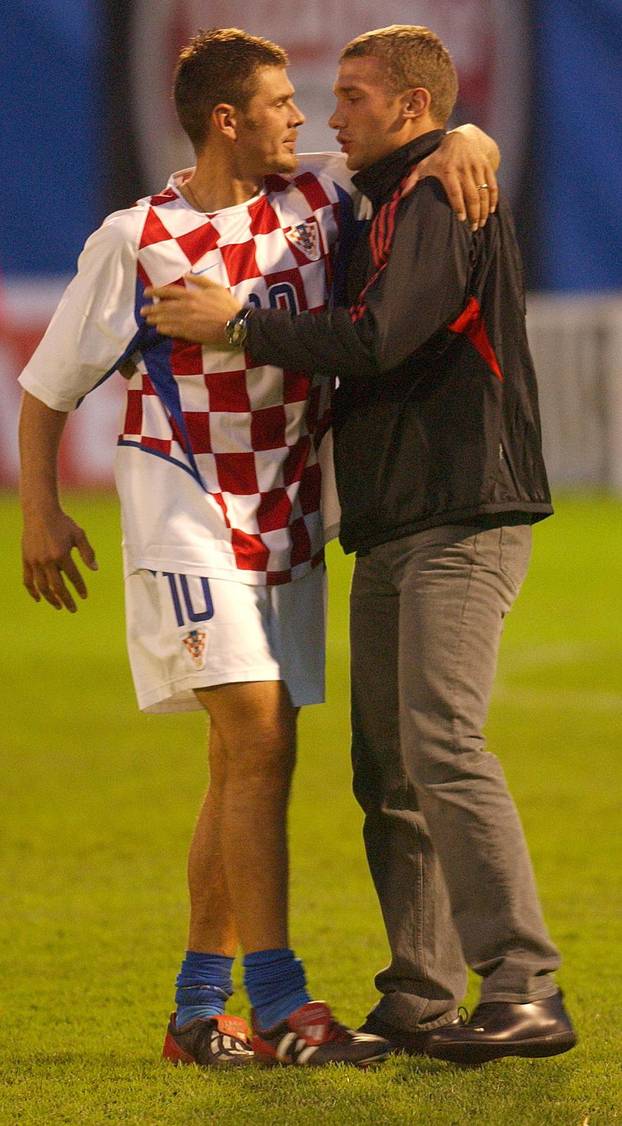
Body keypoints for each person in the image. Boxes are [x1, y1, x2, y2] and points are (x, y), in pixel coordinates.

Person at [18, 26, 499, 1069]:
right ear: (226, 118)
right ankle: (282, 1003)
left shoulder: (321, 203)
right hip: (183, 502)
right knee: (258, 738)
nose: (306, 116)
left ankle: (198, 1012)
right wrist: (43, 513)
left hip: (285, 514)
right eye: (284, 101)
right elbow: (48, 388)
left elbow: (423, 149)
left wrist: (471, 137)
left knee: (245, 758)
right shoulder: (136, 235)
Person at [141, 24, 577, 1067]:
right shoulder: (380, 194)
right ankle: (420, 996)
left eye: (351, 96)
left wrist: (238, 325)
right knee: (384, 770)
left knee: (439, 742)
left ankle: (523, 987)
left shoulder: (436, 196)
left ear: (413, 109)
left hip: (461, 508)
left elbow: (382, 337)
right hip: (389, 518)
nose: (330, 116)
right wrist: (469, 132)